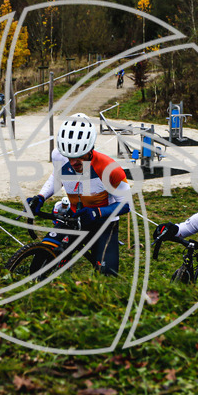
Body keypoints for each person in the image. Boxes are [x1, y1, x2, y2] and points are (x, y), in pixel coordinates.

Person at [26, 113, 131, 276]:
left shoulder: (110, 168)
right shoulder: (58, 156)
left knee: (107, 276)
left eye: (79, 157)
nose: (74, 163)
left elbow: (126, 205)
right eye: (70, 157)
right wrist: (40, 197)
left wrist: (97, 212)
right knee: (41, 258)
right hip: (73, 216)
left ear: (90, 149)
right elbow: (57, 177)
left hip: (104, 223)